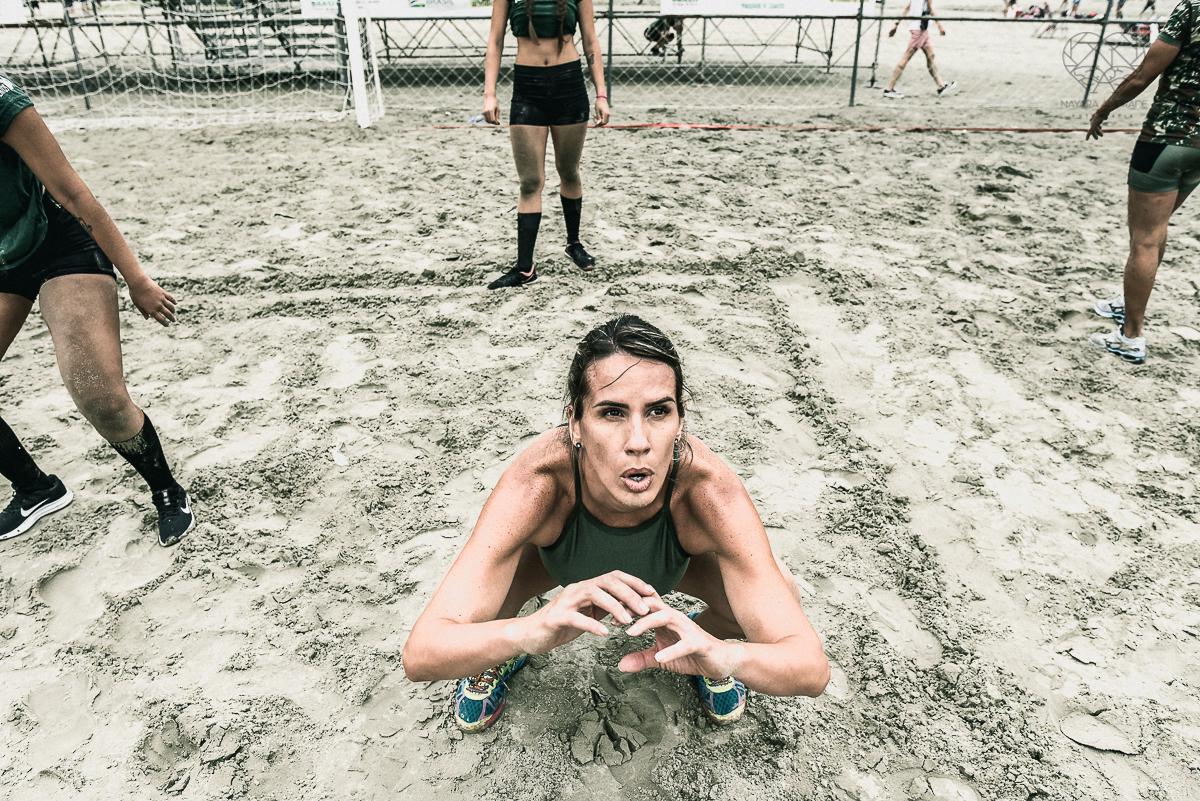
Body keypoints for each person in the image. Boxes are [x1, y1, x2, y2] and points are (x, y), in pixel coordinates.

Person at [402, 315, 829, 732]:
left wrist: (723, 655)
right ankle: (495, 659)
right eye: (611, 413)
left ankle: (696, 644)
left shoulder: (706, 491)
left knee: (778, 590)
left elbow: (809, 667)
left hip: (674, 571)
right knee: (480, 616)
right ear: (575, 423)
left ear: (680, 420)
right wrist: (527, 632)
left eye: (659, 412)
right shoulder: (540, 483)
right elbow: (422, 653)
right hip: (555, 566)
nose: (639, 442)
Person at [0, 73, 194, 545]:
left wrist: (137, 280)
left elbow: (73, 192)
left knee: (97, 393)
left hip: (57, 247)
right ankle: (37, 489)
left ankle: (167, 491)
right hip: (3, 257)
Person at [1086, 0, 1200, 365]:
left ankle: (1130, 336)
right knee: (1156, 229)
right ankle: (1129, 300)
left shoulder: (1192, 9)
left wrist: (1103, 110)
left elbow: (1141, 76)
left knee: (1144, 240)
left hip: (1168, 138)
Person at [481, 0, 610, 290]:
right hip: (528, 88)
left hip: (570, 85)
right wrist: (490, 93)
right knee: (530, 182)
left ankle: (573, 244)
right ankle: (525, 268)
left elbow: (590, 39)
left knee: (569, 170)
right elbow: (495, 39)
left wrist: (601, 94)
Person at [883, 0, 957, 99]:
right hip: (920, 29)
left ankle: (941, 86)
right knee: (906, 57)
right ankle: (889, 88)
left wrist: (896, 24)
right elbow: (930, 7)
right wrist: (940, 25)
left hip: (922, 29)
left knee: (931, 56)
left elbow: (908, 7)